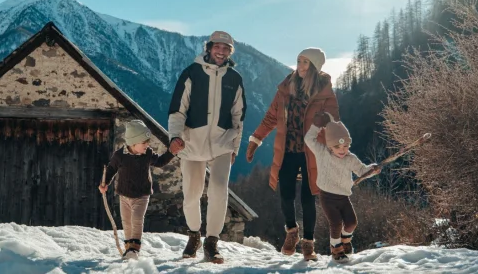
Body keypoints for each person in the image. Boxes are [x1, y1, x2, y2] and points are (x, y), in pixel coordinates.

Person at [246, 48, 339, 260]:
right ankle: (291, 231)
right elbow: (271, 117)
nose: (301, 65)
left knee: (308, 198)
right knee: (286, 195)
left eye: (306, 62)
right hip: (288, 149)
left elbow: (334, 121)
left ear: (314, 66)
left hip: (312, 151)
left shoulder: (324, 91)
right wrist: (256, 139)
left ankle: (308, 243)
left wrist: (334, 143)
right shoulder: (286, 89)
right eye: (299, 61)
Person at [168, 30, 247, 264]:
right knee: (191, 194)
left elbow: (239, 115)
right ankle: (194, 235)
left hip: (222, 143)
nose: (221, 52)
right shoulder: (191, 73)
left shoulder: (235, 78)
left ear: (229, 52)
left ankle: (212, 242)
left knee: (219, 191)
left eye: (226, 49)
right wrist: (174, 136)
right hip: (192, 142)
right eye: (217, 47)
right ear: (209, 48)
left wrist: (235, 148)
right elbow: (177, 109)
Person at [304, 112, 381, 262]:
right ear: (329, 145)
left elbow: (362, 171)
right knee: (336, 223)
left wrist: (372, 170)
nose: (342, 150)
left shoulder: (350, 159)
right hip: (327, 196)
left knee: (352, 222)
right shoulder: (322, 153)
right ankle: (336, 249)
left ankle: (346, 240)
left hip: (343, 197)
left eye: (345, 146)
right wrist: (316, 126)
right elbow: (309, 139)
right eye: (337, 146)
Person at [99, 120, 175, 259]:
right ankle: (128, 248)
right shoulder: (120, 156)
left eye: (147, 142)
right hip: (124, 195)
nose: (147, 145)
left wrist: (171, 152)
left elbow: (159, 162)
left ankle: (135, 248)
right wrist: (105, 183)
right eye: (144, 143)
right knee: (127, 222)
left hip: (141, 195)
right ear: (133, 143)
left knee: (137, 219)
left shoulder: (147, 154)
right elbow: (111, 169)